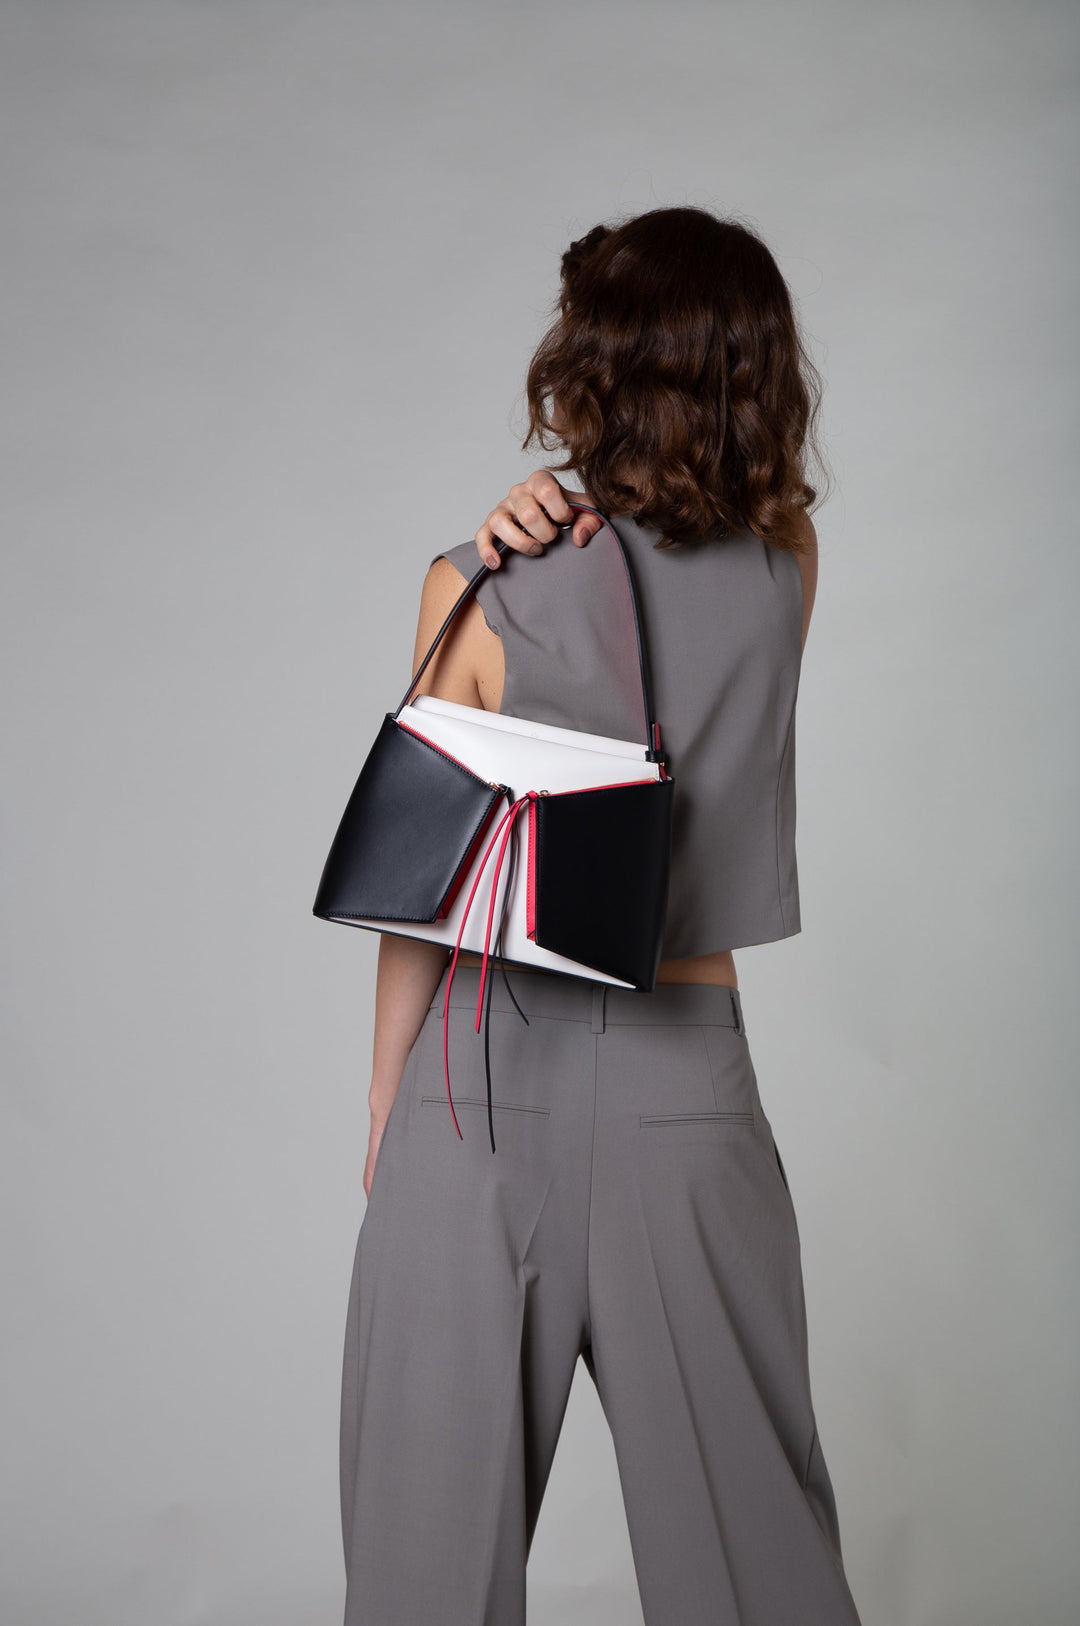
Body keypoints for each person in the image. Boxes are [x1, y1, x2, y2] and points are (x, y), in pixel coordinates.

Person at [338, 206, 865, 1626]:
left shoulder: (479, 585)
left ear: (592, 367)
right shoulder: (788, 570)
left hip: (477, 1084)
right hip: (691, 1089)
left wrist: (390, 1097)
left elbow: (422, 885)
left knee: (422, 1572)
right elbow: (749, 520)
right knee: (759, 1561)